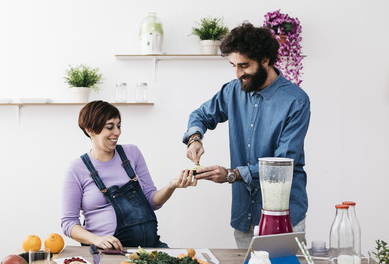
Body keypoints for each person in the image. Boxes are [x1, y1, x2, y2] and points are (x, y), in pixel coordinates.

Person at [183, 22, 311, 249]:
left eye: (244, 65)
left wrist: (231, 175)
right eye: (233, 65)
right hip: (244, 214)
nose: (238, 73)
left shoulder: (296, 101)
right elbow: (200, 115)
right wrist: (195, 138)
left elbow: (281, 165)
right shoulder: (232, 90)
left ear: (265, 60)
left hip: (283, 214)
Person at [62, 100, 196, 250]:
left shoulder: (132, 153)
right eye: (110, 127)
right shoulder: (76, 169)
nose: (117, 132)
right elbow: (69, 223)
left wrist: (172, 186)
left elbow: (152, 202)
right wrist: (97, 240)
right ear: (90, 130)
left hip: (148, 248)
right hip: (107, 252)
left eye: (119, 126)